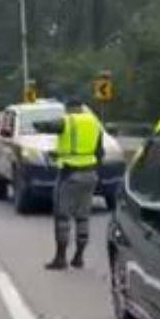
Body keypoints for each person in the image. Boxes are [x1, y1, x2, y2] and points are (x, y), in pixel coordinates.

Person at [45, 98, 104, 271]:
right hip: (90, 174)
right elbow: (99, 152)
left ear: (68, 108)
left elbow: (45, 126)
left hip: (69, 175)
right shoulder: (95, 123)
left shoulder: (67, 121)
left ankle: (60, 258)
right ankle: (79, 257)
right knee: (83, 217)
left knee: (62, 216)